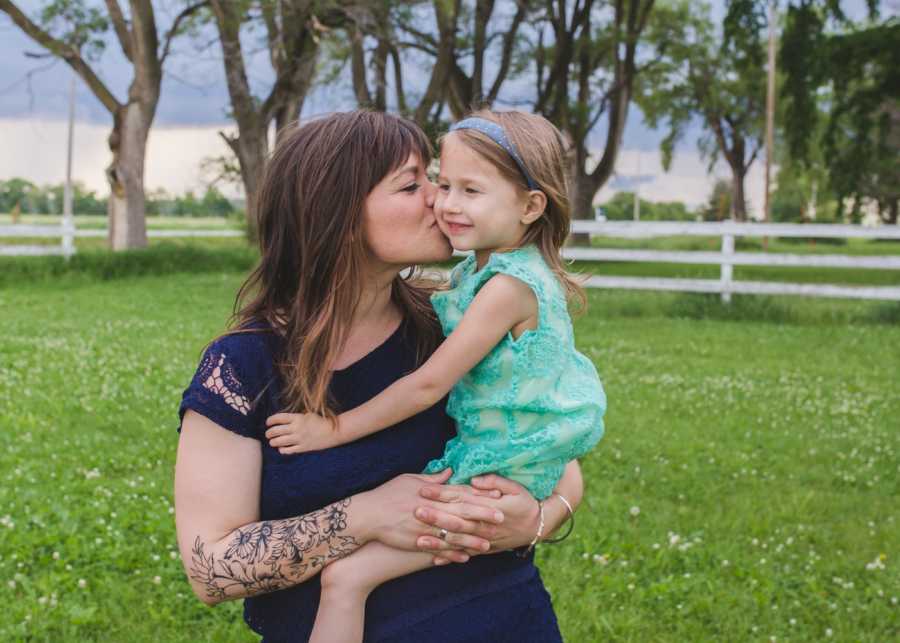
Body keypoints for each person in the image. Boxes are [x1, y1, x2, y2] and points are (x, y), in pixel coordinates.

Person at [174, 110, 585, 643]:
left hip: (507, 621)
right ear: (337, 214)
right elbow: (210, 570)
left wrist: (537, 519)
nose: (439, 199)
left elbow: (558, 452)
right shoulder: (245, 367)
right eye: (414, 185)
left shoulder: (451, 325)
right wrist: (362, 517)